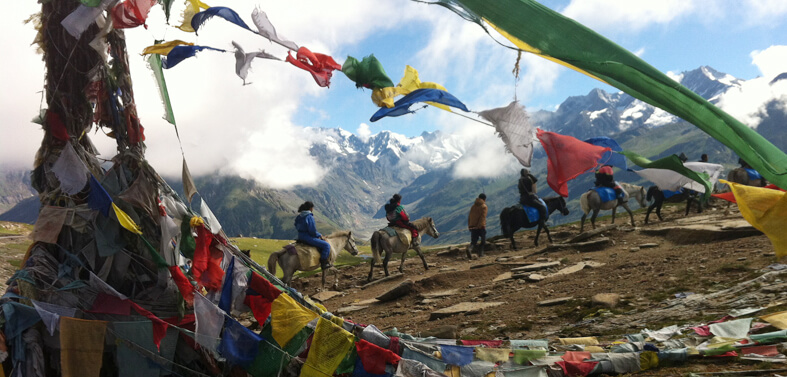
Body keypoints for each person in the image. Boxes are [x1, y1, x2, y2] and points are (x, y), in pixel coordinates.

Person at [294, 201, 332, 270]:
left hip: (300, 237)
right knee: (326, 245)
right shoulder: (309, 216)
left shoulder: (299, 216)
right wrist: (319, 235)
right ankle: (324, 263)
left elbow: (296, 225)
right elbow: (312, 231)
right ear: (311, 208)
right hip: (308, 238)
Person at [467, 193, 487, 258]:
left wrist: (470, 226)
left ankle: (469, 249)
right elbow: (482, 217)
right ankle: (481, 254)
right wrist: (479, 225)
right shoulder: (484, 206)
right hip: (480, 227)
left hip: (472, 226)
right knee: (483, 241)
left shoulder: (473, 206)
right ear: (484, 199)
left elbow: (470, 217)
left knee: (473, 241)